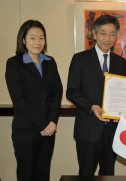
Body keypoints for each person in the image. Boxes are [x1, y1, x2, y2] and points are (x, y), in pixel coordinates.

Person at [66, 14, 126, 175]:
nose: (108, 38)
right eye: (103, 33)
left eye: (112, 33)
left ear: (117, 36)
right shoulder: (80, 59)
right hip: (88, 129)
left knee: (108, 173)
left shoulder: (120, 63)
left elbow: (125, 94)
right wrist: (91, 106)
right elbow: (71, 91)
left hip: (112, 131)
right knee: (86, 173)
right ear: (94, 34)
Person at [5, 20, 63, 181]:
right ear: (23, 40)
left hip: (48, 130)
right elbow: (19, 100)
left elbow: (57, 93)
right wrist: (43, 124)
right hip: (25, 130)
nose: (37, 42)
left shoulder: (50, 62)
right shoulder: (14, 64)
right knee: (26, 174)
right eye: (32, 38)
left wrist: (51, 122)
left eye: (41, 37)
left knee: (43, 173)